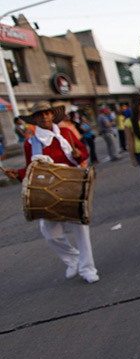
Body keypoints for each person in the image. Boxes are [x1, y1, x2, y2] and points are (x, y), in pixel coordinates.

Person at [2, 102, 99, 284]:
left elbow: (83, 153)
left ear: (52, 115)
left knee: (81, 231)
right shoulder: (31, 142)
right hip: (47, 189)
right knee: (50, 233)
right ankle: (72, 259)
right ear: (34, 119)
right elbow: (33, 168)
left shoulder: (67, 134)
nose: (44, 117)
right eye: (40, 115)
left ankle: (88, 268)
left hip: (71, 185)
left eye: (47, 113)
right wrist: (19, 173)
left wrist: (78, 154)